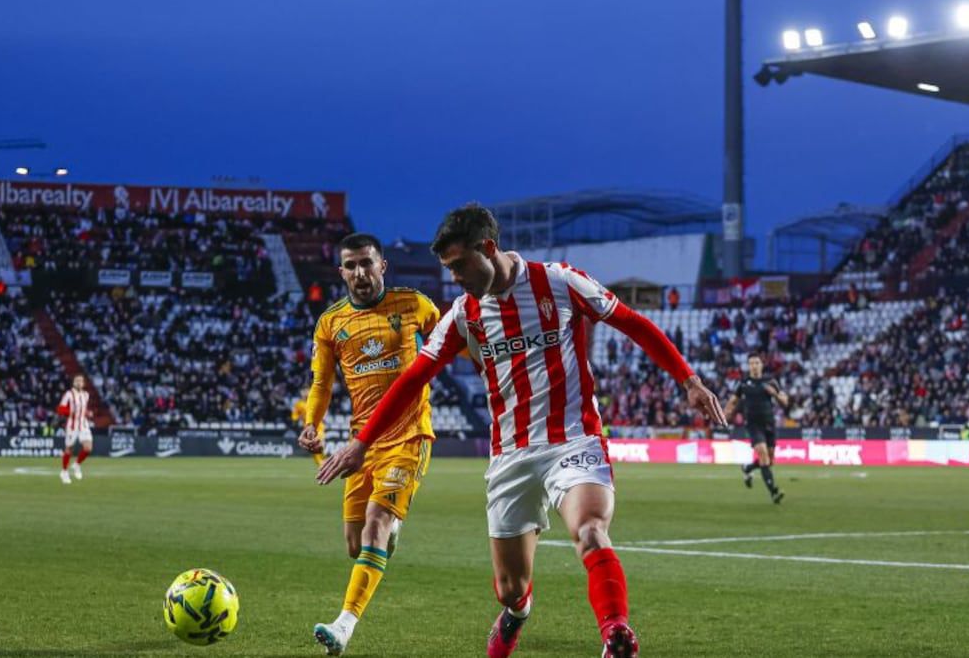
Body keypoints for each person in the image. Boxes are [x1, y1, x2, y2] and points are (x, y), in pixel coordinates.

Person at [317, 205, 725, 658]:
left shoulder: (559, 282)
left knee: (590, 529)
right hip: (510, 454)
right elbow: (414, 378)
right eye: (448, 269)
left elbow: (632, 322)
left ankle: (615, 633)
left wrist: (688, 380)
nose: (455, 278)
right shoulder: (463, 314)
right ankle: (518, 611)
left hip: (574, 439)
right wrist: (362, 443)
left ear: (487, 249)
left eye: (458, 266)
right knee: (511, 588)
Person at [298, 232, 441, 655]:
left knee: (377, 522)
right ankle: (391, 529)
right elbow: (321, 383)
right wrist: (312, 424)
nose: (360, 272)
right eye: (351, 265)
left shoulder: (414, 304)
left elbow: (455, 340)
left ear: (383, 265)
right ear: (340, 272)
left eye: (367, 263)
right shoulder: (331, 323)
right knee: (355, 545)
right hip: (361, 441)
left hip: (410, 435)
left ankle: (343, 626)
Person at [723, 352, 788, 504]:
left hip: (769, 424)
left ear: (762, 364)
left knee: (769, 460)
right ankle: (774, 492)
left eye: (756, 363)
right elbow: (733, 401)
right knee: (764, 455)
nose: (754, 366)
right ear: (748, 366)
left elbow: (785, 401)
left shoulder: (771, 382)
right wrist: (724, 414)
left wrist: (775, 395)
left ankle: (748, 468)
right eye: (751, 363)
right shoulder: (743, 383)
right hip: (753, 424)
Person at [56, 375, 95, 485]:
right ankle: (64, 472)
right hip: (72, 425)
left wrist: (88, 413)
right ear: (73, 383)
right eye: (76, 380)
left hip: (83, 424)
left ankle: (77, 464)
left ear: (83, 383)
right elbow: (60, 408)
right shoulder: (69, 394)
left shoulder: (86, 395)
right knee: (69, 449)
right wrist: (70, 412)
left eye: (81, 381)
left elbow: (83, 409)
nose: (79, 382)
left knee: (88, 448)